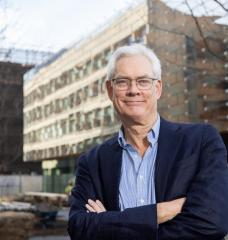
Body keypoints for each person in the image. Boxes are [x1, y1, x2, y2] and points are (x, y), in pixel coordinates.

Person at [68, 44, 228, 240]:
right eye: (122, 82)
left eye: (143, 81)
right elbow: (79, 228)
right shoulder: (93, 162)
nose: (133, 90)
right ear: (110, 90)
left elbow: (213, 222)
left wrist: (110, 222)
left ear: (157, 88)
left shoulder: (201, 141)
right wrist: (158, 213)